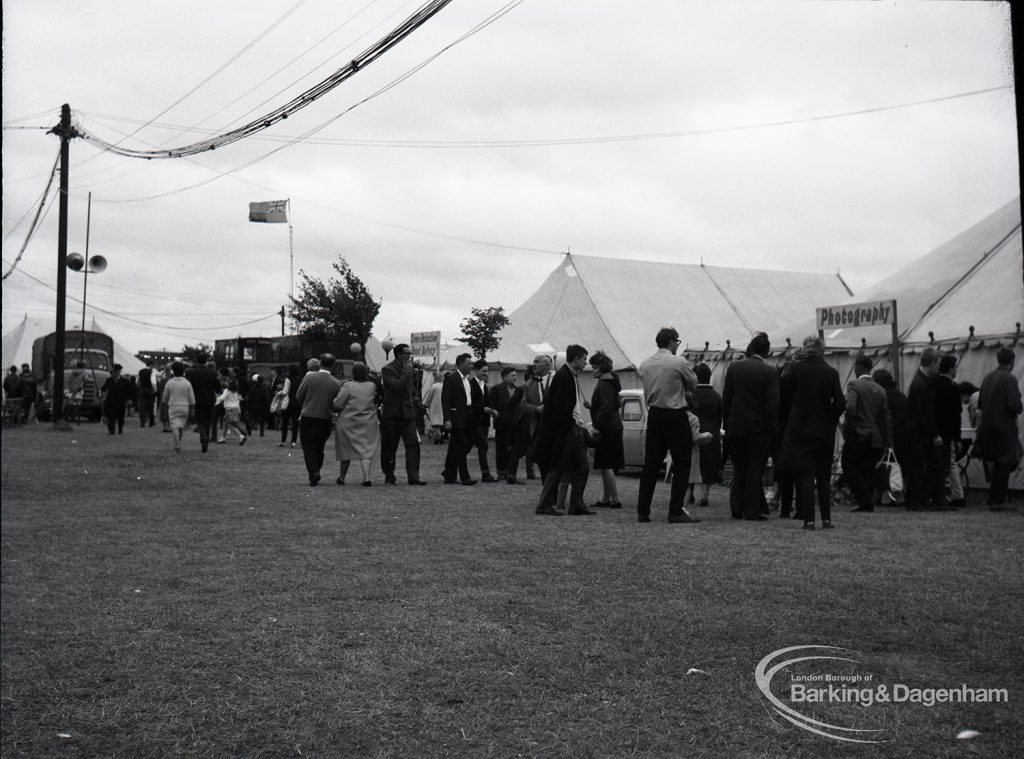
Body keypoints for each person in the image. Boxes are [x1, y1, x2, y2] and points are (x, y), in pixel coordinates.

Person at [777, 335, 845, 530]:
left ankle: (808, 520)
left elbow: (784, 390)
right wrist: (830, 419)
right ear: (822, 350)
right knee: (823, 474)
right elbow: (840, 402)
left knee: (806, 474)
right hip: (824, 429)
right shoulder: (831, 373)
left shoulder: (796, 370)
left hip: (800, 428)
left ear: (804, 349)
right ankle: (826, 520)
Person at [723, 332, 779, 521]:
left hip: (736, 426)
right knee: (755, 469)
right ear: (767, 352)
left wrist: (727, 424)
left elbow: (727, 400)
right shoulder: (770, 372)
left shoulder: (734, 368)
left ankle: (736, 508)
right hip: (759, 430)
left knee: (740, 468)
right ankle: (752, 510)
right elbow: (773, 405)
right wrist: (772, 427)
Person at [533, 344, 594, 516]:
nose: (586, 363)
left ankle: (576, 504)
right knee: (558, 467)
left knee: (581, 467)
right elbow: (560, 408)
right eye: (584, 359)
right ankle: (544, 503)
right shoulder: (563, 377)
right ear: (576, 359)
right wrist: (570, 426)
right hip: (565, 429)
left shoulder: (568, 376)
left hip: (570, 427)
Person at [842, 355, 892, 513]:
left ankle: (864, 499)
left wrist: (847, 426)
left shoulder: (854, 385)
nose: (854, 370)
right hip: (875, 436)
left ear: (859, 367)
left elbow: (850, 408)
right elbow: (886, 417)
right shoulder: (880, 390)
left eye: (855, 367)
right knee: (868, 469)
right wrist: (888, 441)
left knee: (849, 465)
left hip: (858, 433)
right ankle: (867, 500)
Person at [975, 348, 1022, 510]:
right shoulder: (1010, 379)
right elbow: (1014, 405)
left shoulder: (988, 377)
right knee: (1004, 463)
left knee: (995, 462)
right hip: (1004, 428)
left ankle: (992, 498)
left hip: (987, 428)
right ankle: (998, 501)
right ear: (1012, 361)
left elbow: (980, 403)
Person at [904, 347, 946, 510]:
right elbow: (923, 413)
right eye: (937, 364)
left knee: (923, 465)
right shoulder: (921, 385)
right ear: (932, 363)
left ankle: (919, 498)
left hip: (919, 432)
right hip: (918, 433)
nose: (938, 368)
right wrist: (934, 434)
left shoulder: (920, 382)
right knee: (922, 466)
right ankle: (916, 500)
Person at [379, 343, 426, 486]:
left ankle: (413, 476)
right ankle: (389, 475)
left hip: (407, 414)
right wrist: (406, 372)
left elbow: (407, 388)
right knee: (389, 447)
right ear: (399, 354)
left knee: (413, 445)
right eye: (407, 353)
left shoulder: (409, 369)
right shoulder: (387, 369)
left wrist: (415, 397)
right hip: (391, 415)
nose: (409, 356)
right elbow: (396, 386)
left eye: (410, 354)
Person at [296, 353, 342, 486]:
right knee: (319, 447)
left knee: (308, 447)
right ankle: (316, 469)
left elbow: (299, 396)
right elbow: (337, 403)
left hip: (308, 416)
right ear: (333, 365)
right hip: (325, 418)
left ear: (320, 363)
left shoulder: (309, 378)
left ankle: (313, 472)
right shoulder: (336, 383)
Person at [333, 362, 380, 486]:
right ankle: (366, 478)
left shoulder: (348, 385)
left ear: (353, 373)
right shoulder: (372, 386)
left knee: (345, 450)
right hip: (368, 422)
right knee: (366, 450)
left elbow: (338, 405)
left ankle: (342, 478)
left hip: (348, 422)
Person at [588, 351, 624, 509]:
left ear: (602, 368)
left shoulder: (603, 385)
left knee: (606, 463)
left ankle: (614, 500)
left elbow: (607, 408)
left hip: (607, 428)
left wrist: (597, 425)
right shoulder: (612, 383)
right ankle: (606, 498)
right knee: (606, 464)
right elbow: (614, 404)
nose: (592, 370)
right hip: (614, 426)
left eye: (595, 367)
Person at [441, 354, 482, 485]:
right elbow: (445, 400)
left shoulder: (467, 380)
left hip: (467, 417)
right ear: (460, 364)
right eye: (468, 363)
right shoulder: (451, 378)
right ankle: (465, 477)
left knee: (456, 446)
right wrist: (447, 419)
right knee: (461, 445)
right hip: (456, 418)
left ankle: (449, 473)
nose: (471, 366)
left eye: (471, 364)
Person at [872, 369, 911, 504]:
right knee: (899, 468)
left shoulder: (881, 397)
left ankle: (883, 496)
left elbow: (881, 420)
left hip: (888, 437)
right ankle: (900, 495)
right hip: (904, 438)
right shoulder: (901, 396)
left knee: (884, 467)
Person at [934, 354, 964, 507]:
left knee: (938, 463)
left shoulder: (933, 384)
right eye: (955, 367)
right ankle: (958, 494)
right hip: (947, 432)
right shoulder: (953, 387)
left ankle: (937, 493)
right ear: (951, 368)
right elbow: (956, 415)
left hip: (934, 430)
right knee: (950, 463)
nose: (956, 370)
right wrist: (957, 437)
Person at [692, 363, 722, 508]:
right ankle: (705, 495)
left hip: (693, 434)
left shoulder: (690, 395)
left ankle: (689, 493)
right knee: (709, 466)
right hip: (712, 435)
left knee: (693, 464)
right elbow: (719, 418)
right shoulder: (717, 397)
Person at [468, 359, 500, 482]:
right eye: (483, 371)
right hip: (475, 421)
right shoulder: (471, 385)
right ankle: (485, 473)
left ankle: (451, 469)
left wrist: (493, 409)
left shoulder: (483, 385)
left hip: (484, 421)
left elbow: (488, 400)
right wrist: (483, 409)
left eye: (487, 371)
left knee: (469, 446)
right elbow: (470, 403)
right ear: (476, 370)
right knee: (483, 445)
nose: (486, 373)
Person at [522, 354, 552, 482]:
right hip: (537, 427)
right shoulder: (529, 384)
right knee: (541, 460)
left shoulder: (557, 379)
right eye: (533, 361)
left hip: (554, 426)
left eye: (537, 362)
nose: (534, 364)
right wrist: (536, 409)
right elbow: (523, 405)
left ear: (547, 364)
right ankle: (547, 491)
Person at [488, 367, 519, 479]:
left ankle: (509, 470)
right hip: (502, 423)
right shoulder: (497, 389)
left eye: (515, 375)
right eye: (512, 375)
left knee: (512, 448)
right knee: (501, 447)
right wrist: (494, 411)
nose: (515, 377)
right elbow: (489, 400)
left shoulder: (517, 390)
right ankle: (501, 471)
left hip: (514, 424)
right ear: (505, 377)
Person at [187, 361, 221, 453]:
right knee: (208, 421)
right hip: (210, 400)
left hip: (198, 400)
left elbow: (190, 387)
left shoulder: (193, 373)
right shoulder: (213, 373)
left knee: (200, 420)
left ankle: (203, 436)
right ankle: (206, 437)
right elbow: (218, 389)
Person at [161, 361, 195, 454]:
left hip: (173, 406)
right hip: (185, 407)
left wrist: (165, 402)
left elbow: (165, 397)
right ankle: (178, 442)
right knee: (180, 426)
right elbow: (191, 397)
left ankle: (177, 444)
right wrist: (192, 408)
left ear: (173, 371)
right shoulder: (187, 383)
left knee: (175, 426)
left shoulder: (169, 383)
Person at [100, 363, 133, 435]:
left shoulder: (124, 381)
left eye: (117, 371)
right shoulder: (109, 380)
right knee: (111, 417)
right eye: (114, 371)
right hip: (110, 401)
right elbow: (103, 388)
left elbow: (128, 392)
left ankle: (120, 429)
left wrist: (128, 399)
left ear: (119, 372)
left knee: (120, 417)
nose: (115, 373)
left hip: (120, 401)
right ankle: (111, 430)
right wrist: (101, 393)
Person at [215, 380, 248, 445]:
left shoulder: (227, 391)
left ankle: (241, 436)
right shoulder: (237, 391)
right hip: (235, 408)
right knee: (226, 423)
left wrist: (216, 398)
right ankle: (222, 438)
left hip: (229, 409)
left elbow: (222, 398)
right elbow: (240, 399)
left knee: (230, 424)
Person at [278, 364, 302, 448]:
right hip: (297, 403)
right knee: (295, 423)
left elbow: (285, 391)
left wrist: (278, 393)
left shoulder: (288, 379)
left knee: (285, 422)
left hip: (288, 403)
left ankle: (283, 441)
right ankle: (293, 442)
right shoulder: (300, 380)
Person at [422, 371, 446, 444]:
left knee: (434, 424)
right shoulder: (444, 386)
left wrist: (426, 404)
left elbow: (429, 397)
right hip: (443, 407)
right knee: (439, 424)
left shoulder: (434, 386)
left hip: (434, 407)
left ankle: (439, 438)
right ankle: (438, 438)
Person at [137, 361, 157, 428]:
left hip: (142, 390)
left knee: (142, 408)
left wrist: (140, 388)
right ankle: (151, 422)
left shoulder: (140, 371)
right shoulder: (151, 372)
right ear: (150, 365)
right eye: (153, 365)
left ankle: (142, 423)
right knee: (150, 407)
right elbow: (153, 382)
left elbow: (137, 382)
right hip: (150, 391)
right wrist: (155, 390)